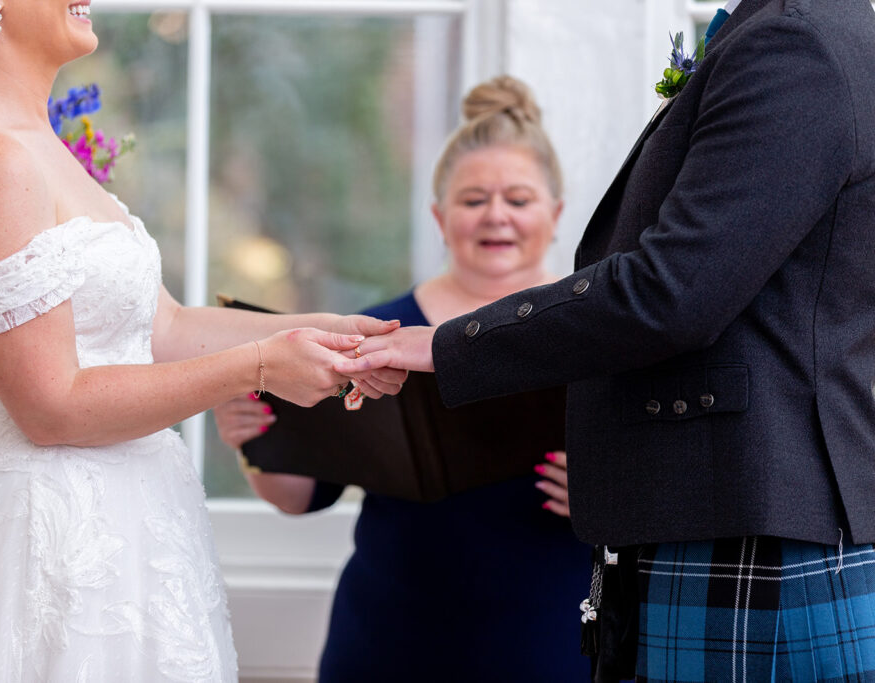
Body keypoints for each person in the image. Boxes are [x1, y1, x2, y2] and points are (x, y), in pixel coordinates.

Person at [0, 1, 407, 680]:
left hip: (135, 534)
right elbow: (51, 406)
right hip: (51, 553)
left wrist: (323, 333)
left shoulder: (36, 140)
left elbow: (164, 327)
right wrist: (260, 365)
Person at [337, 1, 875, 680]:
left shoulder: (796, 41)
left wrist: (448, 344)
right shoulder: (795, 31)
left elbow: (673, 290)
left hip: (753, 528)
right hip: (733, 514)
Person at [214, 76, 590, 681]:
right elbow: (301, 495)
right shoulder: (378, 333)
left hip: (557, 638)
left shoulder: (599, 333)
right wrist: (249, 438)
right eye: (473, 200)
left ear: (556, 215)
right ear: (441, 218)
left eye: (518, 200)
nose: (496, 215)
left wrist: (619, 496)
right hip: (392, 640)